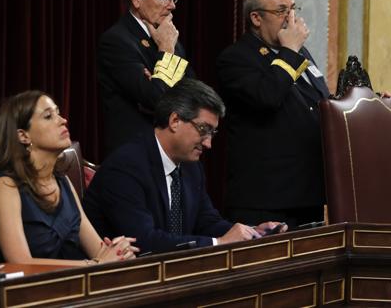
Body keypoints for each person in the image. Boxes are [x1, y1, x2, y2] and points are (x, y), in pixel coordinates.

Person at [83, 79, 285, 253]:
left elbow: (205, 221)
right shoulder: (126, 166)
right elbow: (144, 241)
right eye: (203, 130)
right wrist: (218, 243)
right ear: (175, 120)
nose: (208, 143)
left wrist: (251, 232)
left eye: (212, 133)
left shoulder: (190, 166)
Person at [0, 91, 137, 268]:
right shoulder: (5, 187)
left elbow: (98, 251)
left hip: (67, 289)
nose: (63, 120)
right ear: (23, 136)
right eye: (48, 116)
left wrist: (119, 252)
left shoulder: (63, 182)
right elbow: (20, 263)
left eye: (58, 113)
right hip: (13, 293)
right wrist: (92, 264)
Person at [215, 0, 331, 227]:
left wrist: (370, 100)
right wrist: (289, 51)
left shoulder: (301, 53)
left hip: (308, 193)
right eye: (281, 12)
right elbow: (268, 96)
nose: (291, 19)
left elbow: (320, 101)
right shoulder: (236, 58)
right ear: (256, 18)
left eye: (293, 9)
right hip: (266, 200)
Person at [98, 0, 193, 153]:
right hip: (137, 154)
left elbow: (191, 92)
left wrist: (158, 79)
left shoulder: (169, 35)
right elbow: (157, 100)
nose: (172, 5)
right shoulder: (117, 41)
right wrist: (166, 51)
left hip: (174, 150)